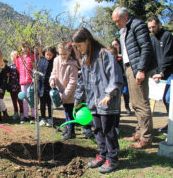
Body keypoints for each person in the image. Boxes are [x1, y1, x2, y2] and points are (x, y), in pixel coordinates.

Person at [73, 28, 123, 174]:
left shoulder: (104, 54)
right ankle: (102, 155)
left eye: (79, 45)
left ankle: (112, 158)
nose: (78, 49)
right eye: (76, 46)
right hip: (93, 102)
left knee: (108, 130)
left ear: (87, 41)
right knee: (98, 129)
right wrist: (78, 98)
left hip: (107, 102)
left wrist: (109, 94)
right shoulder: (84, 59)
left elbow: (115, 75)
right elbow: (82, 81)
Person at [112, 7, 156, 149]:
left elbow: (146, 47)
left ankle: (146, 138)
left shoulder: (138, 25)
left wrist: (141, 70)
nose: (116, 24)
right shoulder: (124, 30)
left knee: (141, 104)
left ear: (125, 17)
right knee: (135, 103)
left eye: (118, 21)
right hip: (129, 68)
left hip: (137, 68)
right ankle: (139, 132)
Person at [147, 16, 173, 132]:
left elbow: (168, 56)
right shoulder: (153, 39)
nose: (152, 30)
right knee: (164, 99)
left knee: (169, 98)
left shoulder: (167, 36)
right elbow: (154, 58)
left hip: (170, 73)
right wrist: (155, 73)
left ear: (159, 24)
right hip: (159, 74)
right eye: (150, 27)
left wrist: (161, 72)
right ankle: (171, 124)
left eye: (154, 27)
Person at [50, 42, 79, 140]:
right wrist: (52, 79)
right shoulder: (56, 60)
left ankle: (71, 132)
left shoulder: (73, 64)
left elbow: (73, 82)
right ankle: (68, 128)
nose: (62, 56)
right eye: (61, 54)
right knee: (66, 111)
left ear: (70, 52)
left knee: (70, 113)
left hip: (69, 93)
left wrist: (65, 95)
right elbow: (54, 72)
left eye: (65, 54)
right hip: (60, 91)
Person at [15, 41, 35, 124]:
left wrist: (33, 77)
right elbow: (18, 68)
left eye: (27, 47)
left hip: (31, 81)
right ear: (21, 48)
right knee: (24, 99)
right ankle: (25, 116)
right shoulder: (19, 58)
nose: (25, 49)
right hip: (23, 81)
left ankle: (33, 116)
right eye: (23, 47)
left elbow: (35, 67)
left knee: (31, 98)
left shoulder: (32, 56)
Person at [111, 39, 132, 115]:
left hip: (124, 77)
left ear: (119, 45)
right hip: (116, 78)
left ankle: (127, 106)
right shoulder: (112, 56)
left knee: (126, 92)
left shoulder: (124, 54)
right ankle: (118, 109)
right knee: (118, 95)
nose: (115, 46)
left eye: (116, 44)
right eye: (113, 45)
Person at [37, 46, 57, 127]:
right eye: (47, 54)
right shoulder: (40, 60)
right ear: (44, 53)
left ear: (53, 55)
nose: (48, 56)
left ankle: (50, 118)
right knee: (42, 103)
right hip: (41, 85)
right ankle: (42, 118)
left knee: (49, 103)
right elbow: (37, 71)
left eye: (50, 55)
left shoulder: (54, 61)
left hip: (50, 85)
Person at [6, 51, 24, 121]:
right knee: (14, 100)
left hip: (19, 86)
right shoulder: (9, 66)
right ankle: (16, 112)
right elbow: (7, 76)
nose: (13, 58)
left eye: (15, 56)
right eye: (12, 56)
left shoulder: (20, 64)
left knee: (20, 100)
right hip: (12, 85)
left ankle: (22, 113)